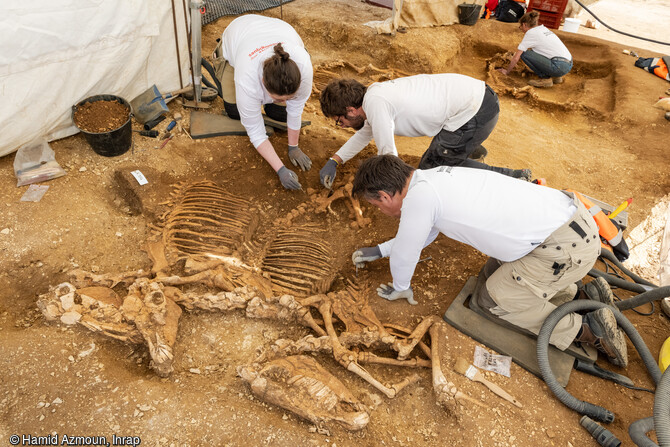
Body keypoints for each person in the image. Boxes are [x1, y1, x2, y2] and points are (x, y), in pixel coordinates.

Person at [351, 154, 628, 367]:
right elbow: (423, 233)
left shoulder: (419, 199)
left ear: (386, 196)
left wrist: (401, 285)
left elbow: (408, 250)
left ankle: (589, 330)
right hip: (571, 228)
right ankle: (581, 293)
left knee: (491, 302)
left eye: (376, 205)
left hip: (561, 250)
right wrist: (381, 250)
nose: (379, 210)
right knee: (492, 273)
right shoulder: (431, 178)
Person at [317, 75, 532, 189]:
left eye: (340, 120)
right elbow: (365, 134)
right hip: (475, 101)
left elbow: (388, 156)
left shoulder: (376, 104)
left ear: (351, 110)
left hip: (475, 111)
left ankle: (514, 178)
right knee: (441, 153)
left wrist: (397, 193)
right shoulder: (374, 97)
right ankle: (467, 149)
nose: (342, 125)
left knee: (432, 167)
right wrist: (335, 160)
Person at [220, 14, 313, 190]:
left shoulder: (304, 69)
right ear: (263, 82)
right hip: (239, 32)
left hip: (280, 28)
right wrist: (280, 169)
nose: (284, 101)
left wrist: (294, 147)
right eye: (278, 98)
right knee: (234, 111)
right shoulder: (246, 77)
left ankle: (275, 103)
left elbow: (295, 110)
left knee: (279, 113)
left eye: (289, 97)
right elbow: (255, 131)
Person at [497, 10, 573, 88]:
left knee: (524, 53)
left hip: (558, 66)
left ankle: (545, 78)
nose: (521, 29)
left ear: (524, 25)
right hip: (568, 64)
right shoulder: (543, 29)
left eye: (520, 27)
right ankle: (556, 77)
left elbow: (516, 58)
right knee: (534, 51)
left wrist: (506, 71)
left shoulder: (530, 33)